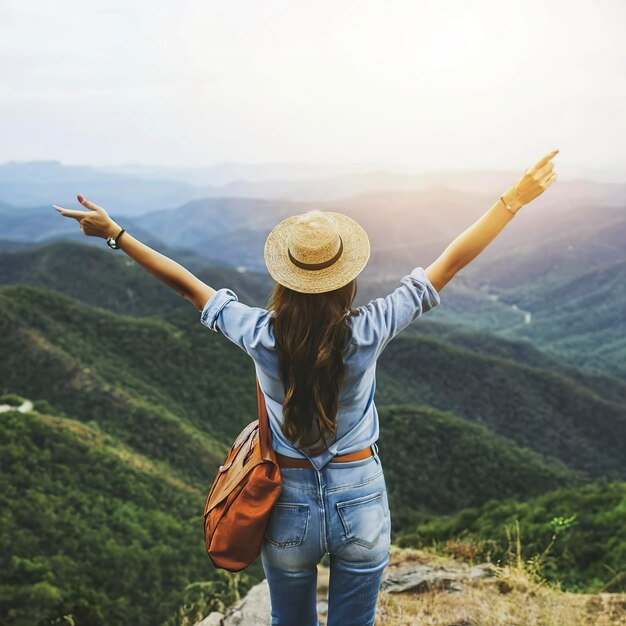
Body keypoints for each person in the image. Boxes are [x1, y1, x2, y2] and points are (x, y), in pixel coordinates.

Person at [52, 149, 558, 626]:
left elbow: (187, 285)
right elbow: (449, 263)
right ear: (345, 277)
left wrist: (116, 233)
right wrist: (512, 200)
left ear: (286, 278)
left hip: (286, 502)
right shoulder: (370, 327)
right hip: (359, 496)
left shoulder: (259, 333)